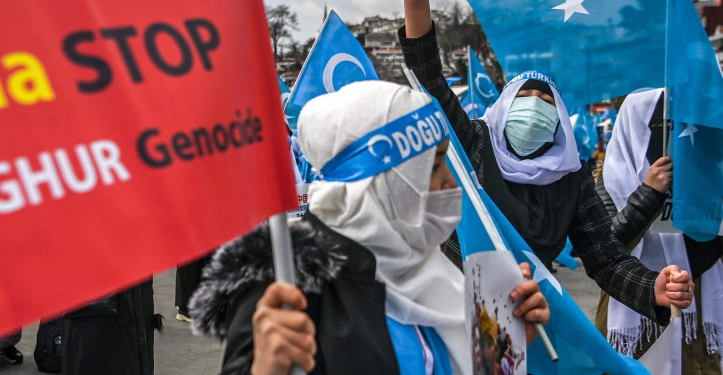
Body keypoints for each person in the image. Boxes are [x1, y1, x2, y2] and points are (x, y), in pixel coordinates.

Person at [397, 0, 694, 328]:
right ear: (503, 109)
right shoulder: (474, 143)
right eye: (525, 97)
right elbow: (429, 80)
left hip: (528, 317)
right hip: (451, 305)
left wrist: (652, 285)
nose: (534, 106)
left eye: (545, 101)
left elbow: (605, 257)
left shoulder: (573, 176)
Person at [190, 81, 549, 374]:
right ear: (386, 176)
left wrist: (506, 345)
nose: (449, 184)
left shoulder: (434, 268)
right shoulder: (287, 280)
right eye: (434, 164)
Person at [592, 89, 723, 374]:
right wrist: (649, 194)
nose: (673, 139)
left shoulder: (697, 177)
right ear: (637, 127)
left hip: (690, 312)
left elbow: (711, 252)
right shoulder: (607, 182)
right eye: (664, 129)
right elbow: (604, 250)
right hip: (634, 313)